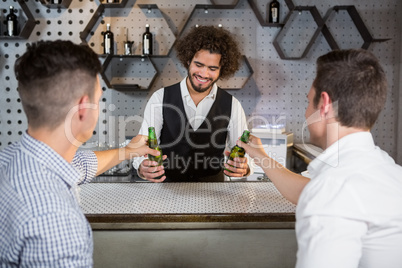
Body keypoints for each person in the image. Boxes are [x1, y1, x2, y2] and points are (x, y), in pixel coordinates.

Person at [0, 40, 159, 267]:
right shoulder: (55, 220)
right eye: (99, 98)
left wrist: (127, 151)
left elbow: (80, 164)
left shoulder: (11, 159)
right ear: (83, 108)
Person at [239, 49, 402, 268]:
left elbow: (325, 194)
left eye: (308, 102)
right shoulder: (388, 170)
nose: (307, 113)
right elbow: (306, 190)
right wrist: (261, 156)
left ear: (324, 105)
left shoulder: (332, 191)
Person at [133, 25, 251, 182]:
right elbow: (143, 145)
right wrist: (142, 167)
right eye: (199, 65)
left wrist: (245, 167)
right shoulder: (160, 98)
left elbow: (245, 151)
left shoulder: (233, 105)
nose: (204, 74)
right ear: (188, 60)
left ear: (221, 70)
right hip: (166, 193)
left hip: (214, 195)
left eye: (212, 68)